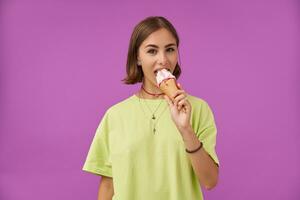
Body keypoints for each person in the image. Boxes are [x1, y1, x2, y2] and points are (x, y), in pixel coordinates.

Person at [82, 16, 220, 200]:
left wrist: (185, 129)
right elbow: (108, 186)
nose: (163, 60)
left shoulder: (198, 108)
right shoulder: (115, 115)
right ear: (138, 58)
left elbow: (210, 181)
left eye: (170, 50)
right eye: (152, 51)